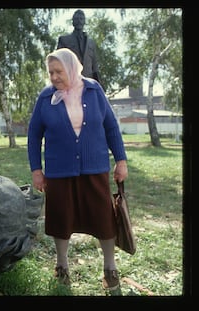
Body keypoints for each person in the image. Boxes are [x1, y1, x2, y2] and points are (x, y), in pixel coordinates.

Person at [27, 47, 128, 291]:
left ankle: (110, 268)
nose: (53, 77)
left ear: (72, 68)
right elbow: (33, 135)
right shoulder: (46, 97)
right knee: (61, 218)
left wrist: (121, 160)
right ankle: (62, 266)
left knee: (103, 218)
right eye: (50, 72)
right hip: (59, 170)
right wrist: (36, 170)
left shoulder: (94, 90)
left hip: (94, 167)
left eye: (58, 71)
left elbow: (111, 127)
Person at [57, 9, 102, 85]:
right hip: (71, 83)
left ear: (84, 22)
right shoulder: (64, 40)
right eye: (76, 19)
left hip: (88, 84)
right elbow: (59, 63)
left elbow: (95, 66)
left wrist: (99, 85)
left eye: (81, 19)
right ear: (73, 22)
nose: (79, 21)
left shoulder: (91, 43)